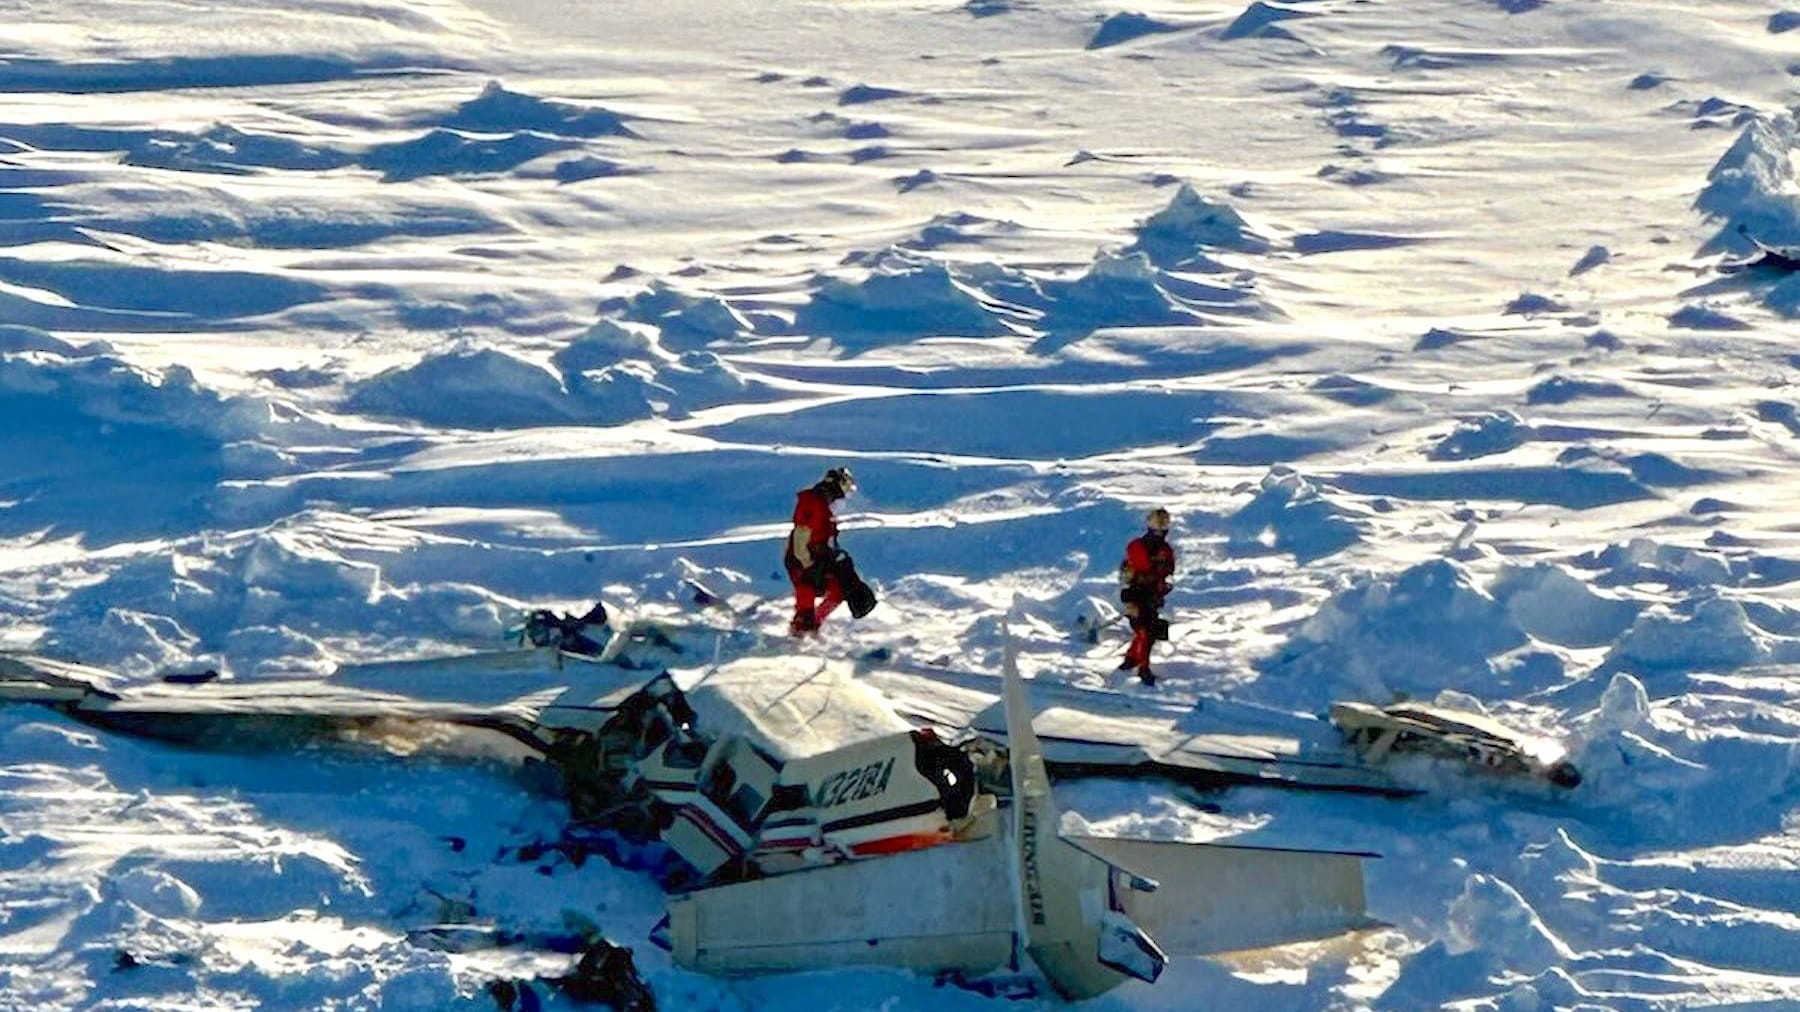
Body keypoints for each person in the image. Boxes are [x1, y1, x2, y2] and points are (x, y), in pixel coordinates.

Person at [786, 466, 856, 636]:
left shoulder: (826, 507)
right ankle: (799, 633)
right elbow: (800, 539)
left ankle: (814, 623)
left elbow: (828, 537)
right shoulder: (812, 504)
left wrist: (837, 556)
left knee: (840, 590)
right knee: (806, 601)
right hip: (802, 561)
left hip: (820, 558)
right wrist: (807, 564)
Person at [1118, 507, 1176, 685]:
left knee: (1147, 631)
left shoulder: (1165, 550)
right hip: (1137, 594)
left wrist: (1164, 586)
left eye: (1163, 527)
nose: (1160, 531)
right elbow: (1128, 572)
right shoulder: (1138, 546)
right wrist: (1129, 594)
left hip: (1152, 595)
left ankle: (1132, 658)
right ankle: (1142, 667)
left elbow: (1168, 572)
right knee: (1146, 632)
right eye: (1158, 526)